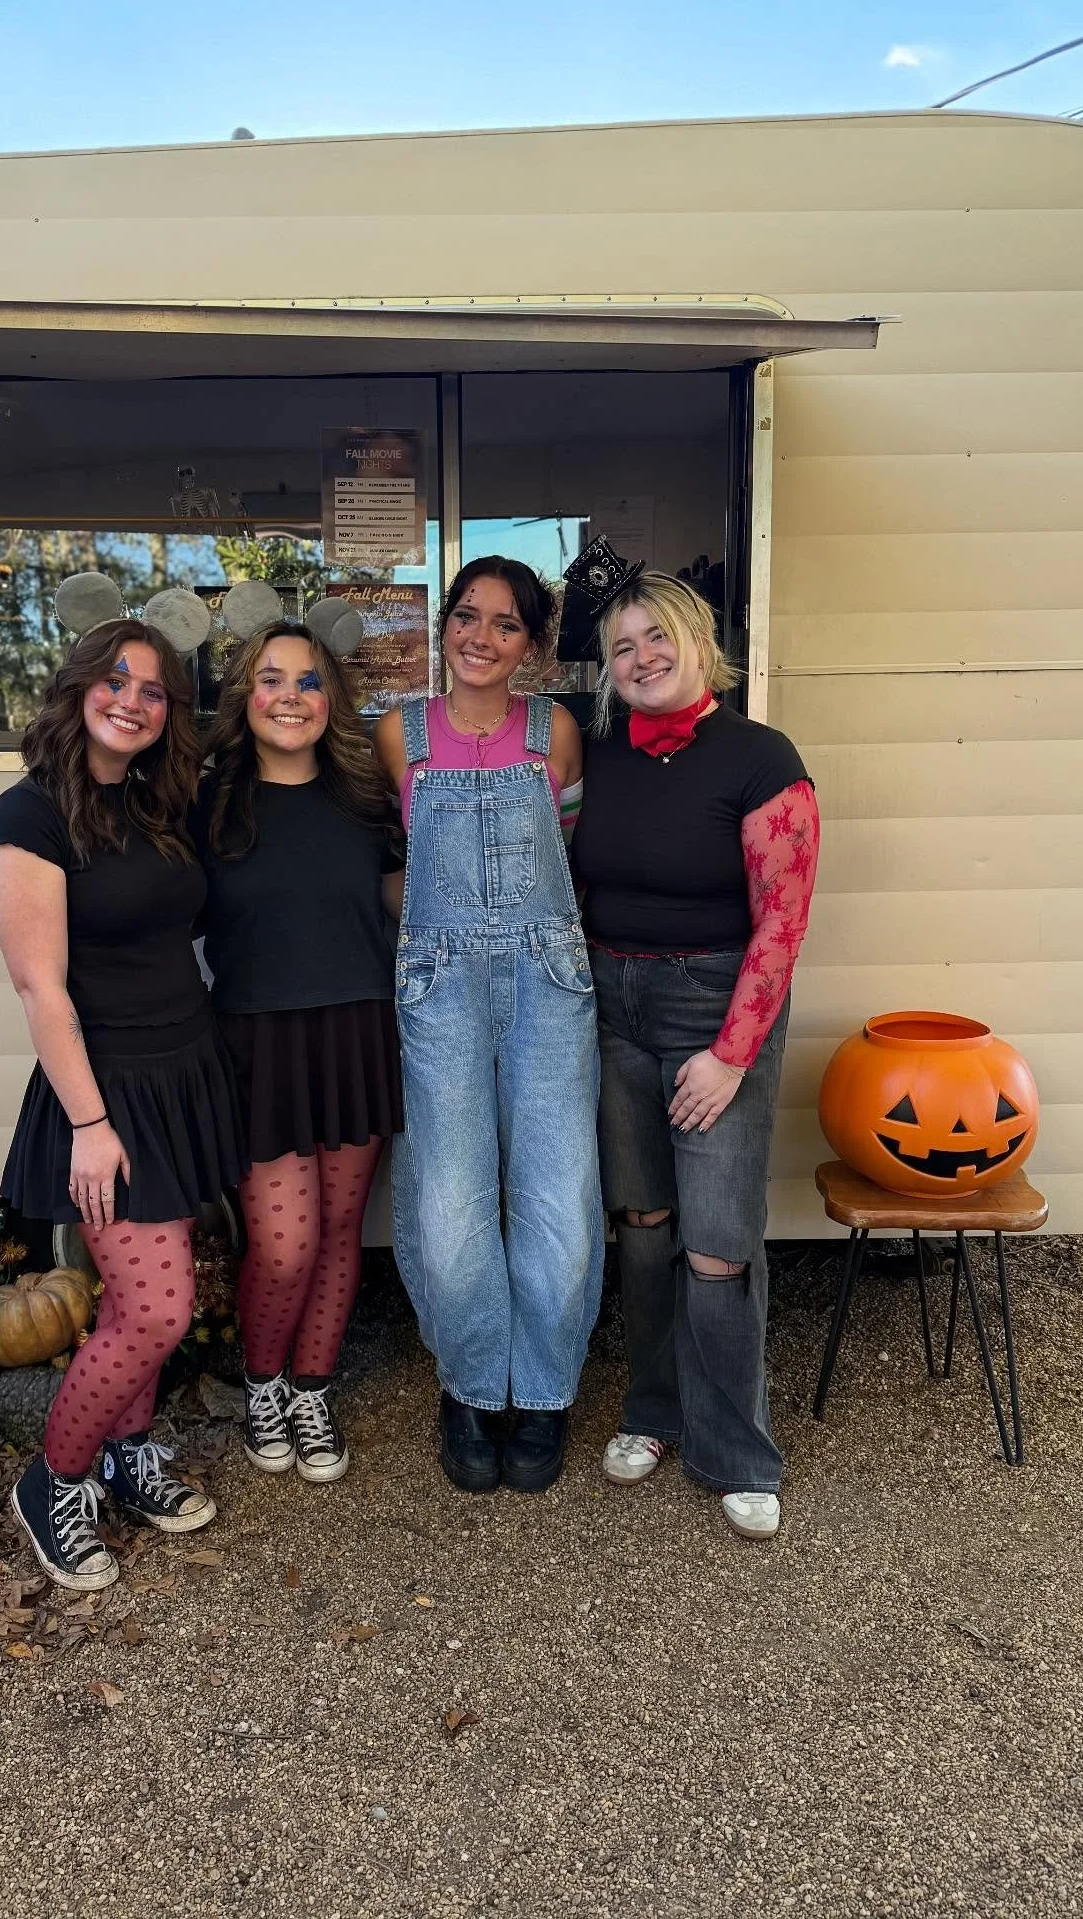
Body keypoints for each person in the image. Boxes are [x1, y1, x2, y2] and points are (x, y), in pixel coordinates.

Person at [0, 617, 245, 1591]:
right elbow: (38, 989)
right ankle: (54, 1477)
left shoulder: (151, 800)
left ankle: (129, 1461)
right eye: (117, 681)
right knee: (161, 1310)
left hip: (181, 1071)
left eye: (155, 689)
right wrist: (90, 1127)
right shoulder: (30, 814)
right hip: (106, 1096)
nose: (133, 700)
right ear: (81, 687)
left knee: (141, 1301)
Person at [571, 567, 820, 1541]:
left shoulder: (760, 758)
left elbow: (783, 925)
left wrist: (728, 1056)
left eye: (657, 637)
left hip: (718, 1012)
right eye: (623, 646)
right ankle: (654, 1409)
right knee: (642, 1221)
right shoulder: (604, 757)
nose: (641, 658)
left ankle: (736, 1449)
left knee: (716, 1245)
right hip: (611, 1008)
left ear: (696, 640)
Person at [376, 556, 603, 1494]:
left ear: (532, 645)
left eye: (505, 625)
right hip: (441, 983)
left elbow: (569, 852)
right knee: (451, 1197)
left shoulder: (556, 732)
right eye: (466, 617)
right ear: (444, 627)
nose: (480, 637)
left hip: (549, 974)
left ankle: (543, 1392)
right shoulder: (400, 732)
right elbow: (395, 866)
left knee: (558, 1192)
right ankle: (472, 1388)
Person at [197, 621, 404, 1484]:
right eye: (271, 678)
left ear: (333, 700)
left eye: (310, 681)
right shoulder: (206, 803)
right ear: (244, 696)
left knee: (342, 1230)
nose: (291, 696)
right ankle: (263, 1383)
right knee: (284, 1244)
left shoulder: (368, 799)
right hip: (258, 1041)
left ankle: (312, 1388)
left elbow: (411, 906)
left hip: (357, 1031)